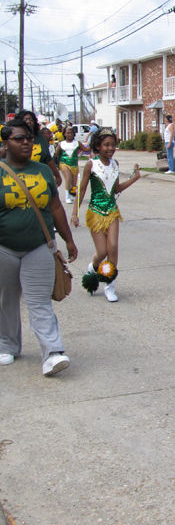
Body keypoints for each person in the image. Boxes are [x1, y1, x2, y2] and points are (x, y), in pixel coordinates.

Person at [0, 118, 78, 375]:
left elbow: (55, 207)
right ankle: (8, 345)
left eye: (29, 138)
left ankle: (52, 353)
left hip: (39, 246)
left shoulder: (43, 170)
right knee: (6, 300)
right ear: (5, 142)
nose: (26, 142)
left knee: (40, 301)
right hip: (4, 248)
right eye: (19, 138)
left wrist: (68, 239)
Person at [71, 128, 142, 302]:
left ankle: (109, 285)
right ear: (97, 146)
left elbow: (116, 189)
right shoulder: (91, 164)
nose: (110, 148)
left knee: (113, 248)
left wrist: (134, 178)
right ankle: (92, 267)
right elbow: (81, 189)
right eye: (106, 145)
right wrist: (74, 213)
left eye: (113, 145)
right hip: (95, 212)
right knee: (101, 252)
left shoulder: (115, 164)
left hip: (112, 211)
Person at [13, 111, 62, 187]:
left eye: (31, 119)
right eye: (26, 119)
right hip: (17, 178)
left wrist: (57, 175)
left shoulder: (40, 138)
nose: (29, 121)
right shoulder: (13, 137)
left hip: (38, 178)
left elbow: (48, 158)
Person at [54, 126, 90, 204]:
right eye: (67, 133)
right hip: (64, 164)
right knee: (68, 178)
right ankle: (67, 197)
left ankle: (71, 194)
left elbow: (86, 149)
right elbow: (56, 154)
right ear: (64, 134)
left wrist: (94, 144)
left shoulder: (77, 143)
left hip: (74, 165)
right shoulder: (61, 144)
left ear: (74, 134)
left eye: (71, 133)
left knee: (73, 182)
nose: (69, 134)